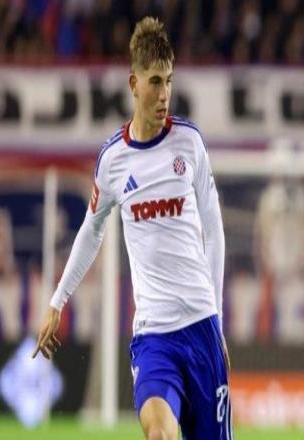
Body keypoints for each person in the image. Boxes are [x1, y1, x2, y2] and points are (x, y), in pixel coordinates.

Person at [32, 16, 233, 440]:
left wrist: (217, 321)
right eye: (155, 82)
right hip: (154, 336)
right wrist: (57, 301)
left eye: (169, 81)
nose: (164, 95)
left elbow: (214, 233)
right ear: (133, 84)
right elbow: (92, 229)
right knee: (159, 434)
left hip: (202, 326)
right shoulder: (113, 160)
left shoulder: (189, 144)